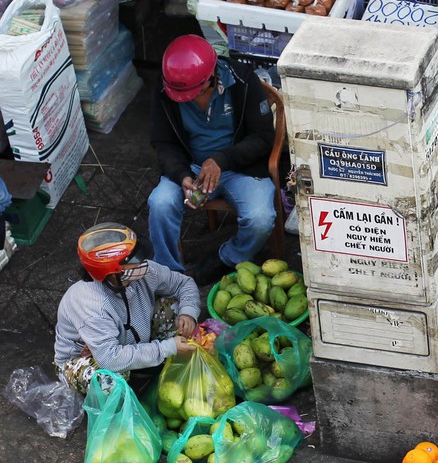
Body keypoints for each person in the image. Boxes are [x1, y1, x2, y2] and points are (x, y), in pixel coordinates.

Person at [148, 34, 277, 285]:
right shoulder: (165, 88)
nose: (190, 101)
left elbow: (263, 137)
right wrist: (181, 175)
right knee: (160, 203)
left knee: (260, 219)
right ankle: (168, 274)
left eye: (195, 93)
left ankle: (226, 259)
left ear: (212, 76)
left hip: (241, 167)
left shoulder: (243, 81)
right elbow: (163, 142)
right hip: (191, 164)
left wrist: (221, 160)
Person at [54, 222, 200, 394]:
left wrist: (188, 313)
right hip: (90, 358)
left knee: (174, 305)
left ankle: (147, 362)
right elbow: (109, 359)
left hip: (128, 341)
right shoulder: (92, 306)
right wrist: (166, 348)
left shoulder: (143, 272)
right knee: (109, 380)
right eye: (133, 261)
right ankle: (115, 406)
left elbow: (183, 284)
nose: (142, 264)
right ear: (113, 273)